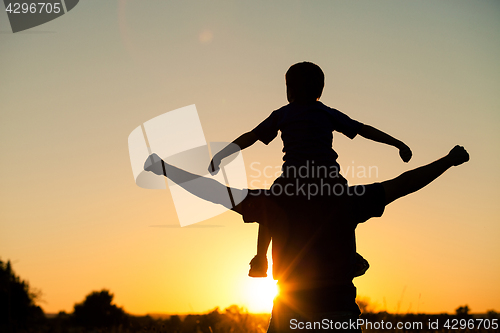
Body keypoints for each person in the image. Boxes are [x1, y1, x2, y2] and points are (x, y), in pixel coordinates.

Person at [144, 145, 469, 332]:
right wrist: (447, 161)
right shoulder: (345, 198)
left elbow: (214, 192)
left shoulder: (278, 200)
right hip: (337, 312)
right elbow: (404, 183)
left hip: (291, 315)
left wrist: (166, 169)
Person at [208, 62, 413, 278]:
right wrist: (398, 144)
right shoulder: (327, 113)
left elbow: (252, 136)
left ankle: (261, 258)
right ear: (320, 90)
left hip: (294, 179)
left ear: (290, 90)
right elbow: (363, 129)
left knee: (269, 205)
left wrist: (222, 154)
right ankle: (350, 255)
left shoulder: (283, 114)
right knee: (345, 208)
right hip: (328, 179)